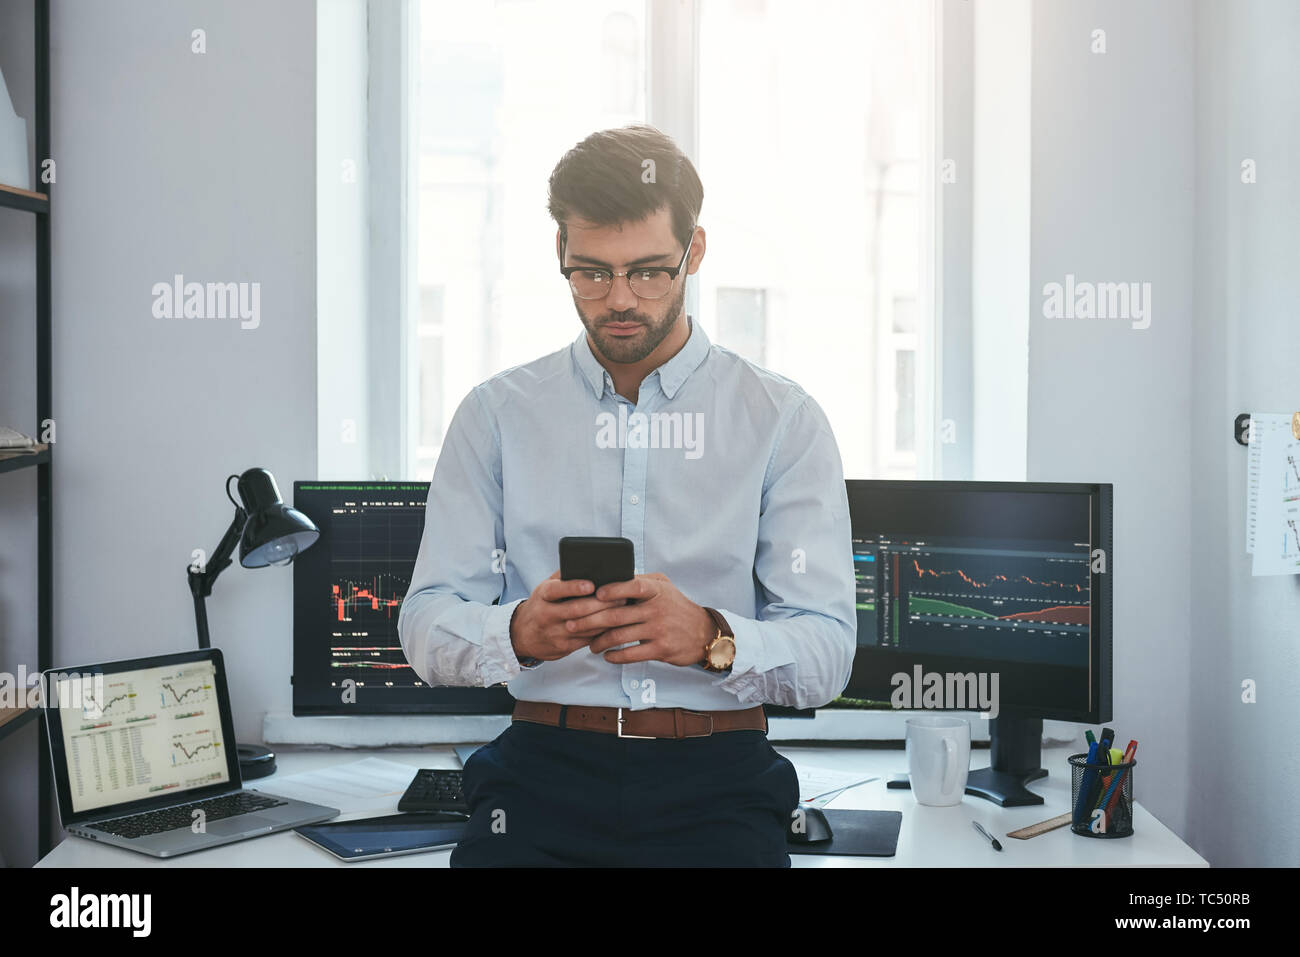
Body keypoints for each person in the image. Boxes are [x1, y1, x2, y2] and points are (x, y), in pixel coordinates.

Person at [398, 124, 856, 866]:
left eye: (648, 272)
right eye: (590, 272)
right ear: (560, 254)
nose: (618, 299)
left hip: (719, 784)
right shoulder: (495, 416)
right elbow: (423, 625)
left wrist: (712, 637)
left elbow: (829, 653)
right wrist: (513, 633)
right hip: (540, 774)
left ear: (693, 253)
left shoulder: (782, 421)